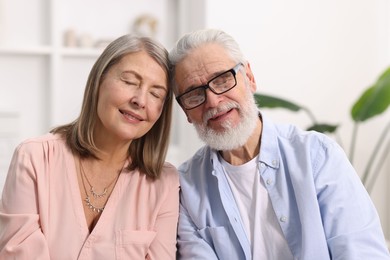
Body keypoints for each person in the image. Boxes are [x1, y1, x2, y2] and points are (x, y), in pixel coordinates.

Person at [169, 28, 390, 259]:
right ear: (185, 110)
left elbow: (361, 253)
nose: (213, 101)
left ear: (249, 78)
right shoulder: (187, 187)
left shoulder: (318, 156)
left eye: (223, 80)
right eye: (194, 94)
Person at [0, 34, 179, 259]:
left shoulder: (164, 184)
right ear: (98, 81)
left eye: (156, 94)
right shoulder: (34, 158)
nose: (140, 101)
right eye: (129, 81)